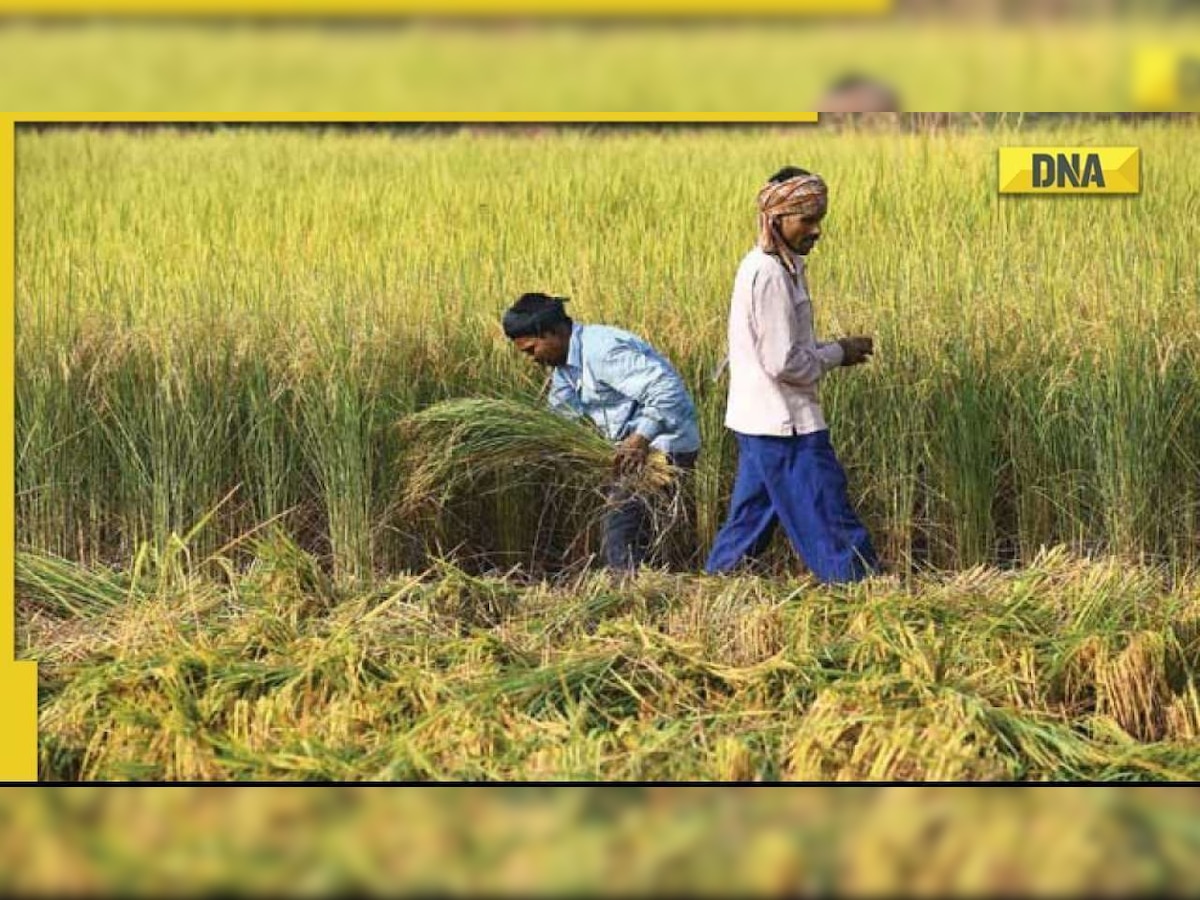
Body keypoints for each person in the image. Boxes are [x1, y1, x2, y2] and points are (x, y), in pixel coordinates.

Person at [704, 167, 880, 583]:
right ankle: (863, 593)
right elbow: (783, 362)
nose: (816, 229)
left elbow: (785, 350)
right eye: (807, 219)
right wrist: (838, 353)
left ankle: (715, 586)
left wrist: (837, 350)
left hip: (761, 420)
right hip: (785, 424)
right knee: (826, 509)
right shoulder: (768, 273)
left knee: (751, 519)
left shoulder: (782, 265)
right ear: (777, 218)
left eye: (820, 218)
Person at [502, 292, 701, 572]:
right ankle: (647, 586)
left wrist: (639, 439)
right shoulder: (565, 369)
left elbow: (668, 390)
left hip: (662, 448)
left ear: (554, 333)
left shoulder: (602, 351)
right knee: (630, 528)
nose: (532, 359)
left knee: (619, 529)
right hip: (631, 451)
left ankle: (631, 598)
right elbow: (559, 418)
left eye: (532, 349)